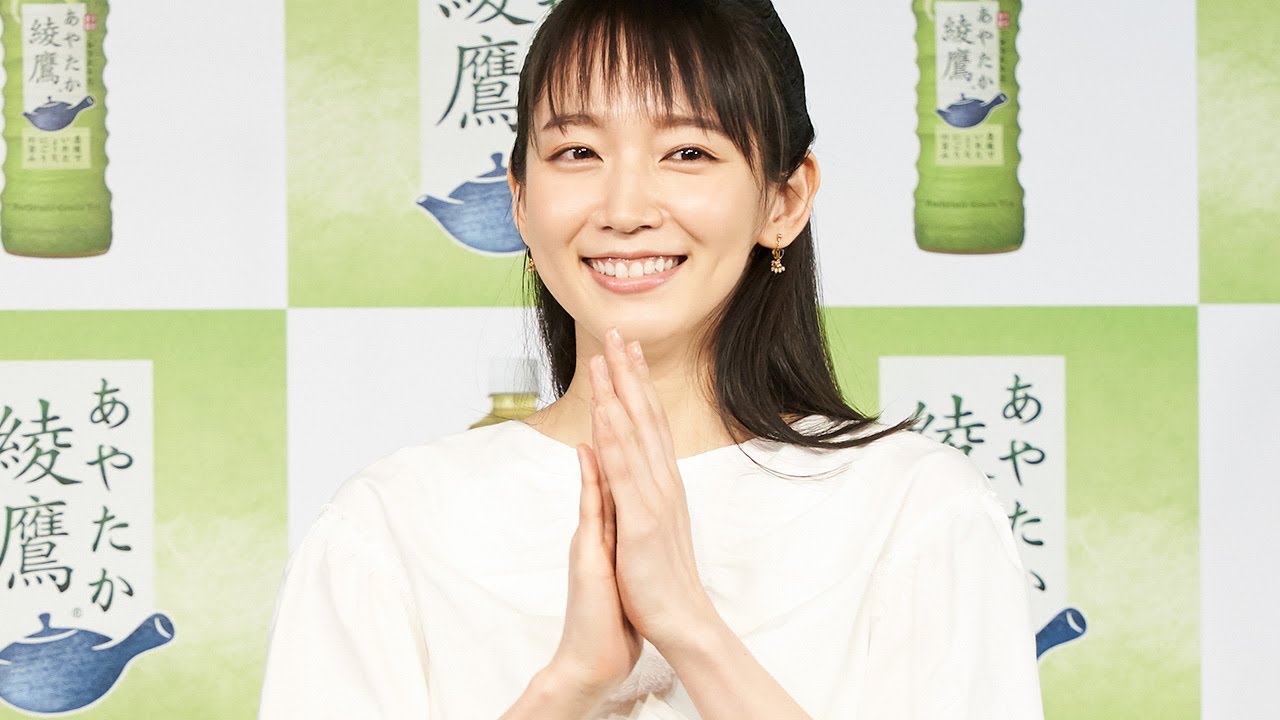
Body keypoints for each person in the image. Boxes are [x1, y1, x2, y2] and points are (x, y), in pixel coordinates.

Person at [258, 0, 1046, 717]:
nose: (625, 209)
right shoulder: (391, 527)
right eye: (577, 151)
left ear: (785, 201)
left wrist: (691, 627)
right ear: (521, 199)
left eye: (688, 152)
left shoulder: (915, 512)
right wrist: (570, 684)